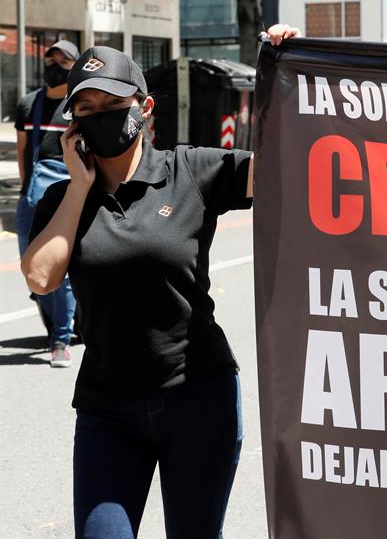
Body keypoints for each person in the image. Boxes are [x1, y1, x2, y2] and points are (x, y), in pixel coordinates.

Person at [20, 45, 253, 538]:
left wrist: (283, 71)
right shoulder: (63, 197)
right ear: (73, 124)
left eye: (112, 103)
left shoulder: (188, 170)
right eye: (87, 107)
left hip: (199, 399)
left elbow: (286, 168)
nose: (100, 115)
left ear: (144, 107)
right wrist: (79, 187)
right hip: (109, 410)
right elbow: (40, 277)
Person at [14, 39, 79, 367]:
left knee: (62, 273)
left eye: (63, 62)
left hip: (69, 196)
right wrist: (27, 188)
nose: (54, 67)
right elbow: (22, 150)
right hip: (32, 197)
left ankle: (60, 340)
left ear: (74, 67)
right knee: (32, 268)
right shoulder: (29, 105)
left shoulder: (79, 105)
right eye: (50, 60)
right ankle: (58, 323)